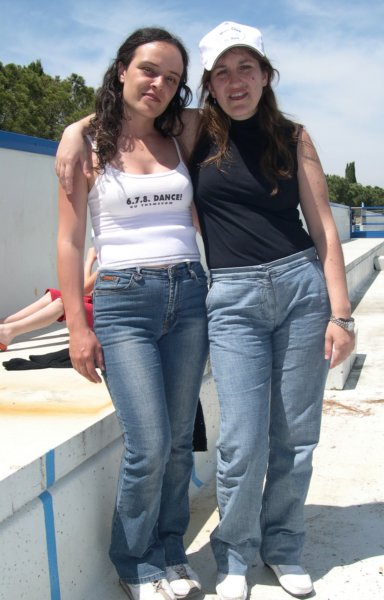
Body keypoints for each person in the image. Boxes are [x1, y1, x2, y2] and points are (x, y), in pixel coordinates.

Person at [56, 21, 355, 600]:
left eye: (246, 69)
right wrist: (75, 129)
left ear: (265, 75)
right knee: (202, 440)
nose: (235, 82)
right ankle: (190, 557)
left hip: (248, 291)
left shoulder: (246, 134)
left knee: (260, 438)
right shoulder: (143, 139)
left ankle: (244, 548)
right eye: (221, 72)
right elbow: (76, 228)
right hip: (178, 299)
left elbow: (322, 225)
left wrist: (340, 313)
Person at [56, 28, 208, 600]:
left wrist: (74, 124)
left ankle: (171, 550)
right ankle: (135, 561)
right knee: (148, 443)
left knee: (178, 442)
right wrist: (78, 327)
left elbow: (231, 109)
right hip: (124, 301)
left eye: (172, 77)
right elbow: (70, 241)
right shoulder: (87, 147)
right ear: (122, 70)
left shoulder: (182, 134)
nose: (158, 84)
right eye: (148, 70)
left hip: (189, 295)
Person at [0, 246, 97, 351]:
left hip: (106, 314)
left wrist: (90, 259)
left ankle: (7, 332)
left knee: (65, 303)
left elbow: (85, 289)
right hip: (96, 302)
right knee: (53, 295)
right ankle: (4, 323)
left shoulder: (109, 261)